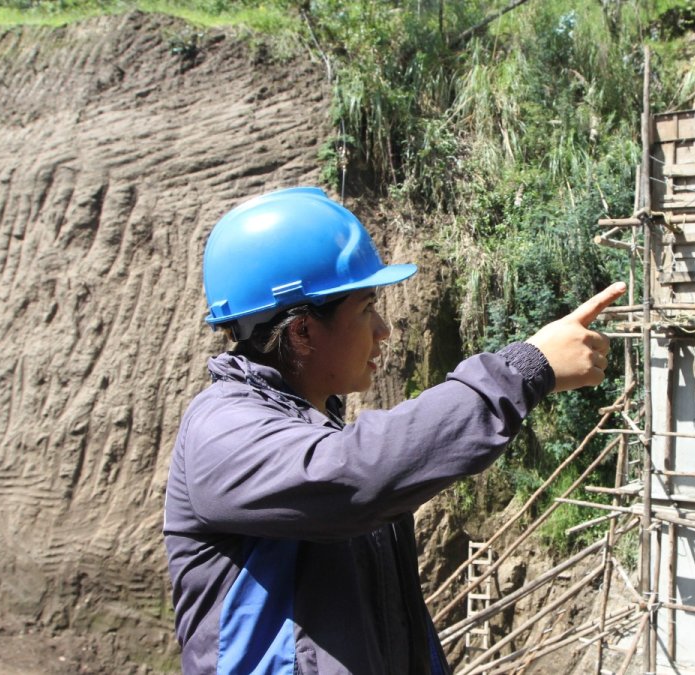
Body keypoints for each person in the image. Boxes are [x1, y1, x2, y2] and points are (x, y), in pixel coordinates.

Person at [163, 186, 625, 675]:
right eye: (366, 308)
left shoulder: (310, 426)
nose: (383, 329)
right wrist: (523, 371)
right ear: (301, 331)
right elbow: (352, 476)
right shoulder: (221, 430)